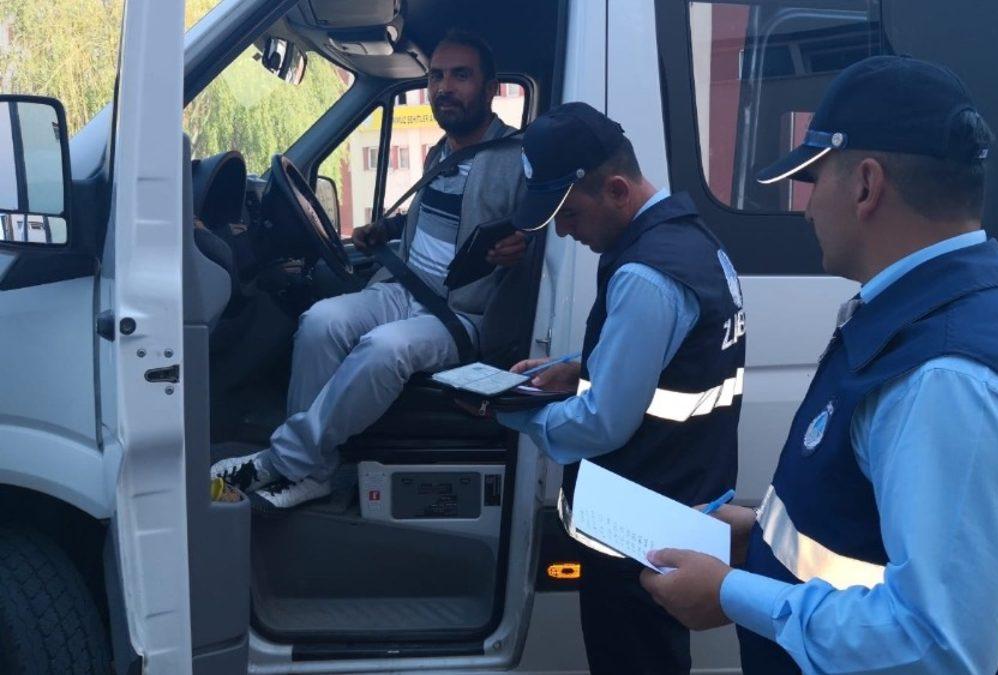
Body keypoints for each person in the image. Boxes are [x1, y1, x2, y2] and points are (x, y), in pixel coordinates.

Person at [640, 55, 998, 674]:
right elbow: (869, 535)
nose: (807, 208)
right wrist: (759, 538)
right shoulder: (912, 325)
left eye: (813, 180)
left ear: (867, 185)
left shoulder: (947, 378)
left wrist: (732, 594)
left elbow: (937, 647)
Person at [211, 30, 529, 509]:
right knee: (320, 321)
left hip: (462, 314)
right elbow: (437, 217)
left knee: (384, 348)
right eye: (436, 76)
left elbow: (547, 235)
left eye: (460, 76)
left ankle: (284, 461)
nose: (444, 87)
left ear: (489, 89)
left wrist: (525, 245)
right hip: (402, 290)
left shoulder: (518, 160)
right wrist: (388, 228)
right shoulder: (441, 152)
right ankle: (315, 473)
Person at [495, 102, 747, 674]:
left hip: (635, 525)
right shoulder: (690, 240)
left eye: (569, 213)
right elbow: (674, 358)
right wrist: (577, 366)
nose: (563, 230)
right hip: (677, 503)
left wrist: (508, 409)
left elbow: (602, 423)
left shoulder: (645, 275)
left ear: (615, 190)